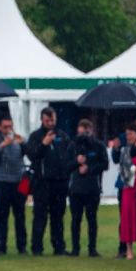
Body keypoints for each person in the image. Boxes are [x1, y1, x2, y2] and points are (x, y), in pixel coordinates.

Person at [24, 106, 75, 256]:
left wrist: (66, 172)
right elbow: (32, 155)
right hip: (42, 182)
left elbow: (69, 156)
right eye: (47, 120)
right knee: (40, 215)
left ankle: (59, 247)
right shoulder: (35, 136)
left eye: (52, 119)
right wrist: (44, 144)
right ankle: (37, 247)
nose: (51, 123)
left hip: (60, 182)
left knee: (58, 216)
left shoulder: (63, 136)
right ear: (42, 120)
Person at [0, 116, 27, 255]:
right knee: (2, 216)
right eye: (5, 127)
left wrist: (23, 143)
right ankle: (1, 246)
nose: (8, 129)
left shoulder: (18, 139)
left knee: (20, 216)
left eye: (10, 126)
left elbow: (31, 153)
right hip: (1, 182)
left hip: (19, 182)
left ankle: (22, 247)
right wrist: (3, 145)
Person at [68, 118, 107, 257]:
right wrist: (76, 162)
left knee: (92, 219)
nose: (83, 135)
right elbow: (66, 166)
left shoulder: (98, 146)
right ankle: (75, 248)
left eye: (86, 132)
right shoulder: (72, 146)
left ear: (91, 131)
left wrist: (89, 168)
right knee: (75, 219)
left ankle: (92, 248)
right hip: (76, 188)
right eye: (81, 133)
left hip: (92, 188)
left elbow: (105, 164)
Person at [117, 132, 136, 260]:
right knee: (128, 219)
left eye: (132, 134)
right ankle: (129, 250)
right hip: (130, 188)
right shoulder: (125, 150)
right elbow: (125, 168)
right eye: (127, 134)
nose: (129, 136)